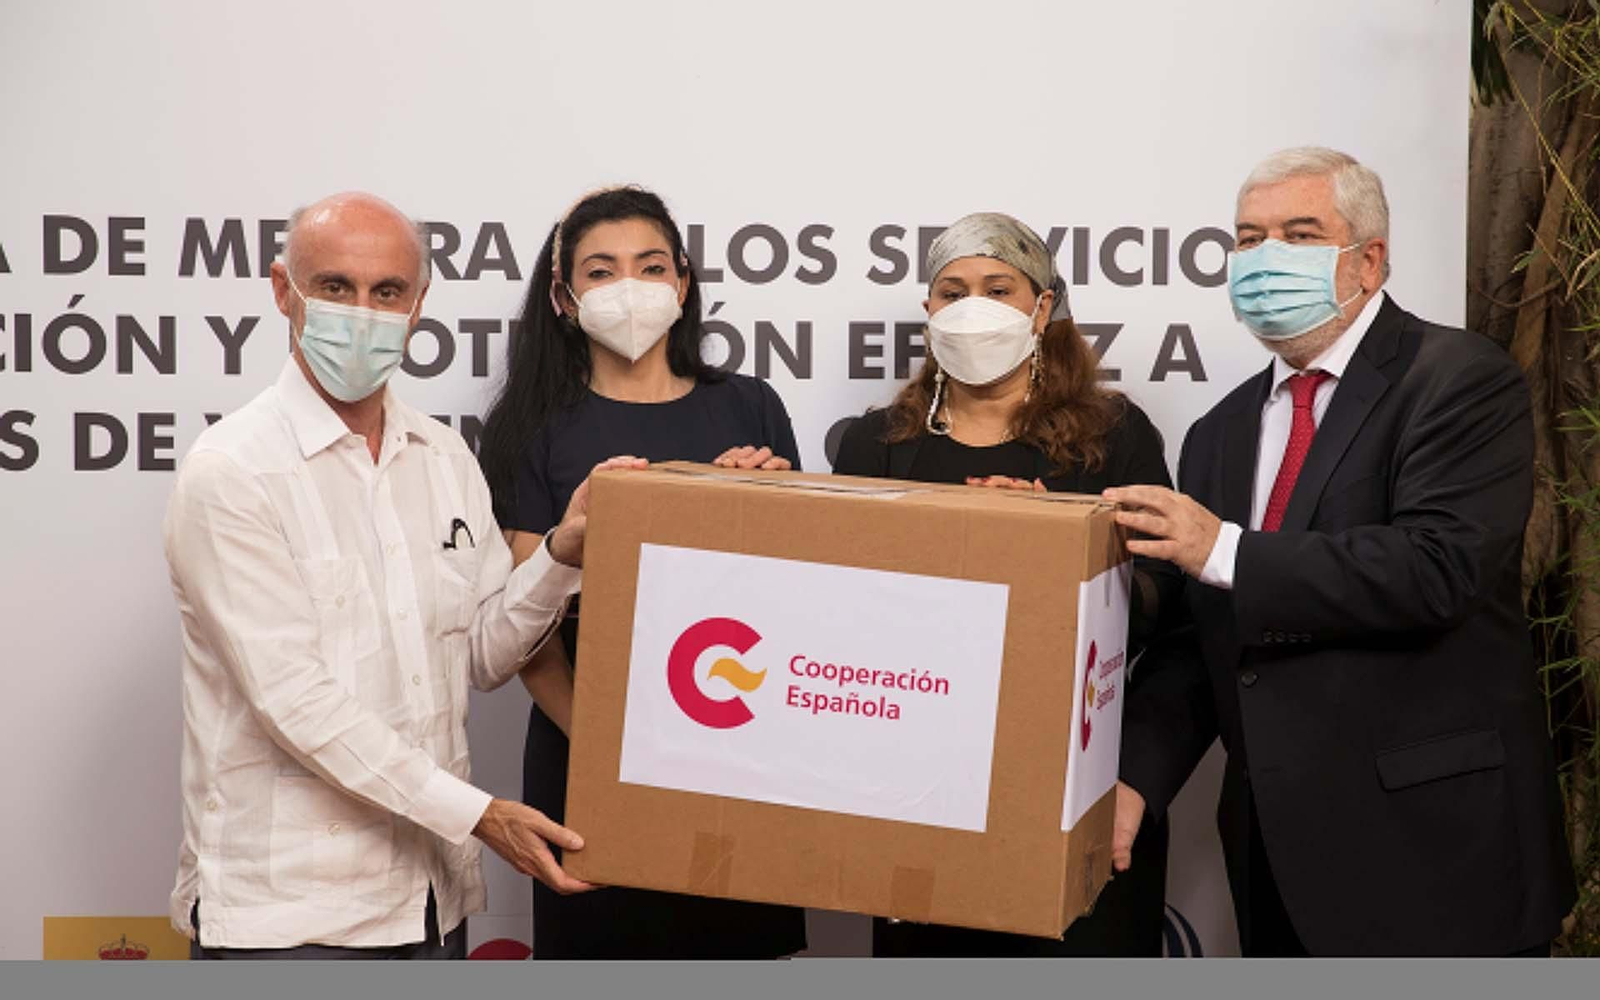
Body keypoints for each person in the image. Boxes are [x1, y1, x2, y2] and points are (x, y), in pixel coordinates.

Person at [1107, 147, 1577, 956]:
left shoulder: (1460, 379)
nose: (1265, 260)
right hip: (1275, 861)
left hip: (1434, 855)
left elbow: (1439, 569)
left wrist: (1226, 548)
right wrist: (1137, 778)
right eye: (1248, 239)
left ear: (1369, 260)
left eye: (1298, 234)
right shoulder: (1219, 432)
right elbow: (1203, 634)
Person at [163, 191, 638, 959]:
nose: (363, 313)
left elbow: (483, 653)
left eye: (387, 291)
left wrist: (561, 554)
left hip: (429, 903)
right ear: (284, 291)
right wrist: (478, 816)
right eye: (335, 287)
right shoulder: (233, 472)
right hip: (293, 916)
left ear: (418, 304)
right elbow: (296, 701)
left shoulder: (443, 457)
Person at [832, 211, 1179, 956]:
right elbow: (842, 615)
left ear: (1042, 307)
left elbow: (1166, 606)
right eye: (952, 291)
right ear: (928, 310)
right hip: (920, 791)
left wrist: (1060, 546)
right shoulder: (874, 445)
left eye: (998, 289)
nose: (973, 307)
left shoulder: (1115, 437)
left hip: (1075, 785)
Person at [476, 186, 807, 959]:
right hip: (589, 760)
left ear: (683, 284)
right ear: (563, 298)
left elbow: (800, 599)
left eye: (651, 266)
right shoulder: (530, 428)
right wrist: (621, 752)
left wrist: (768, 508)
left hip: (737, 746)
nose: (630, 286)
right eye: (601, 271)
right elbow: (527, 636)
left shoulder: (752, 406)